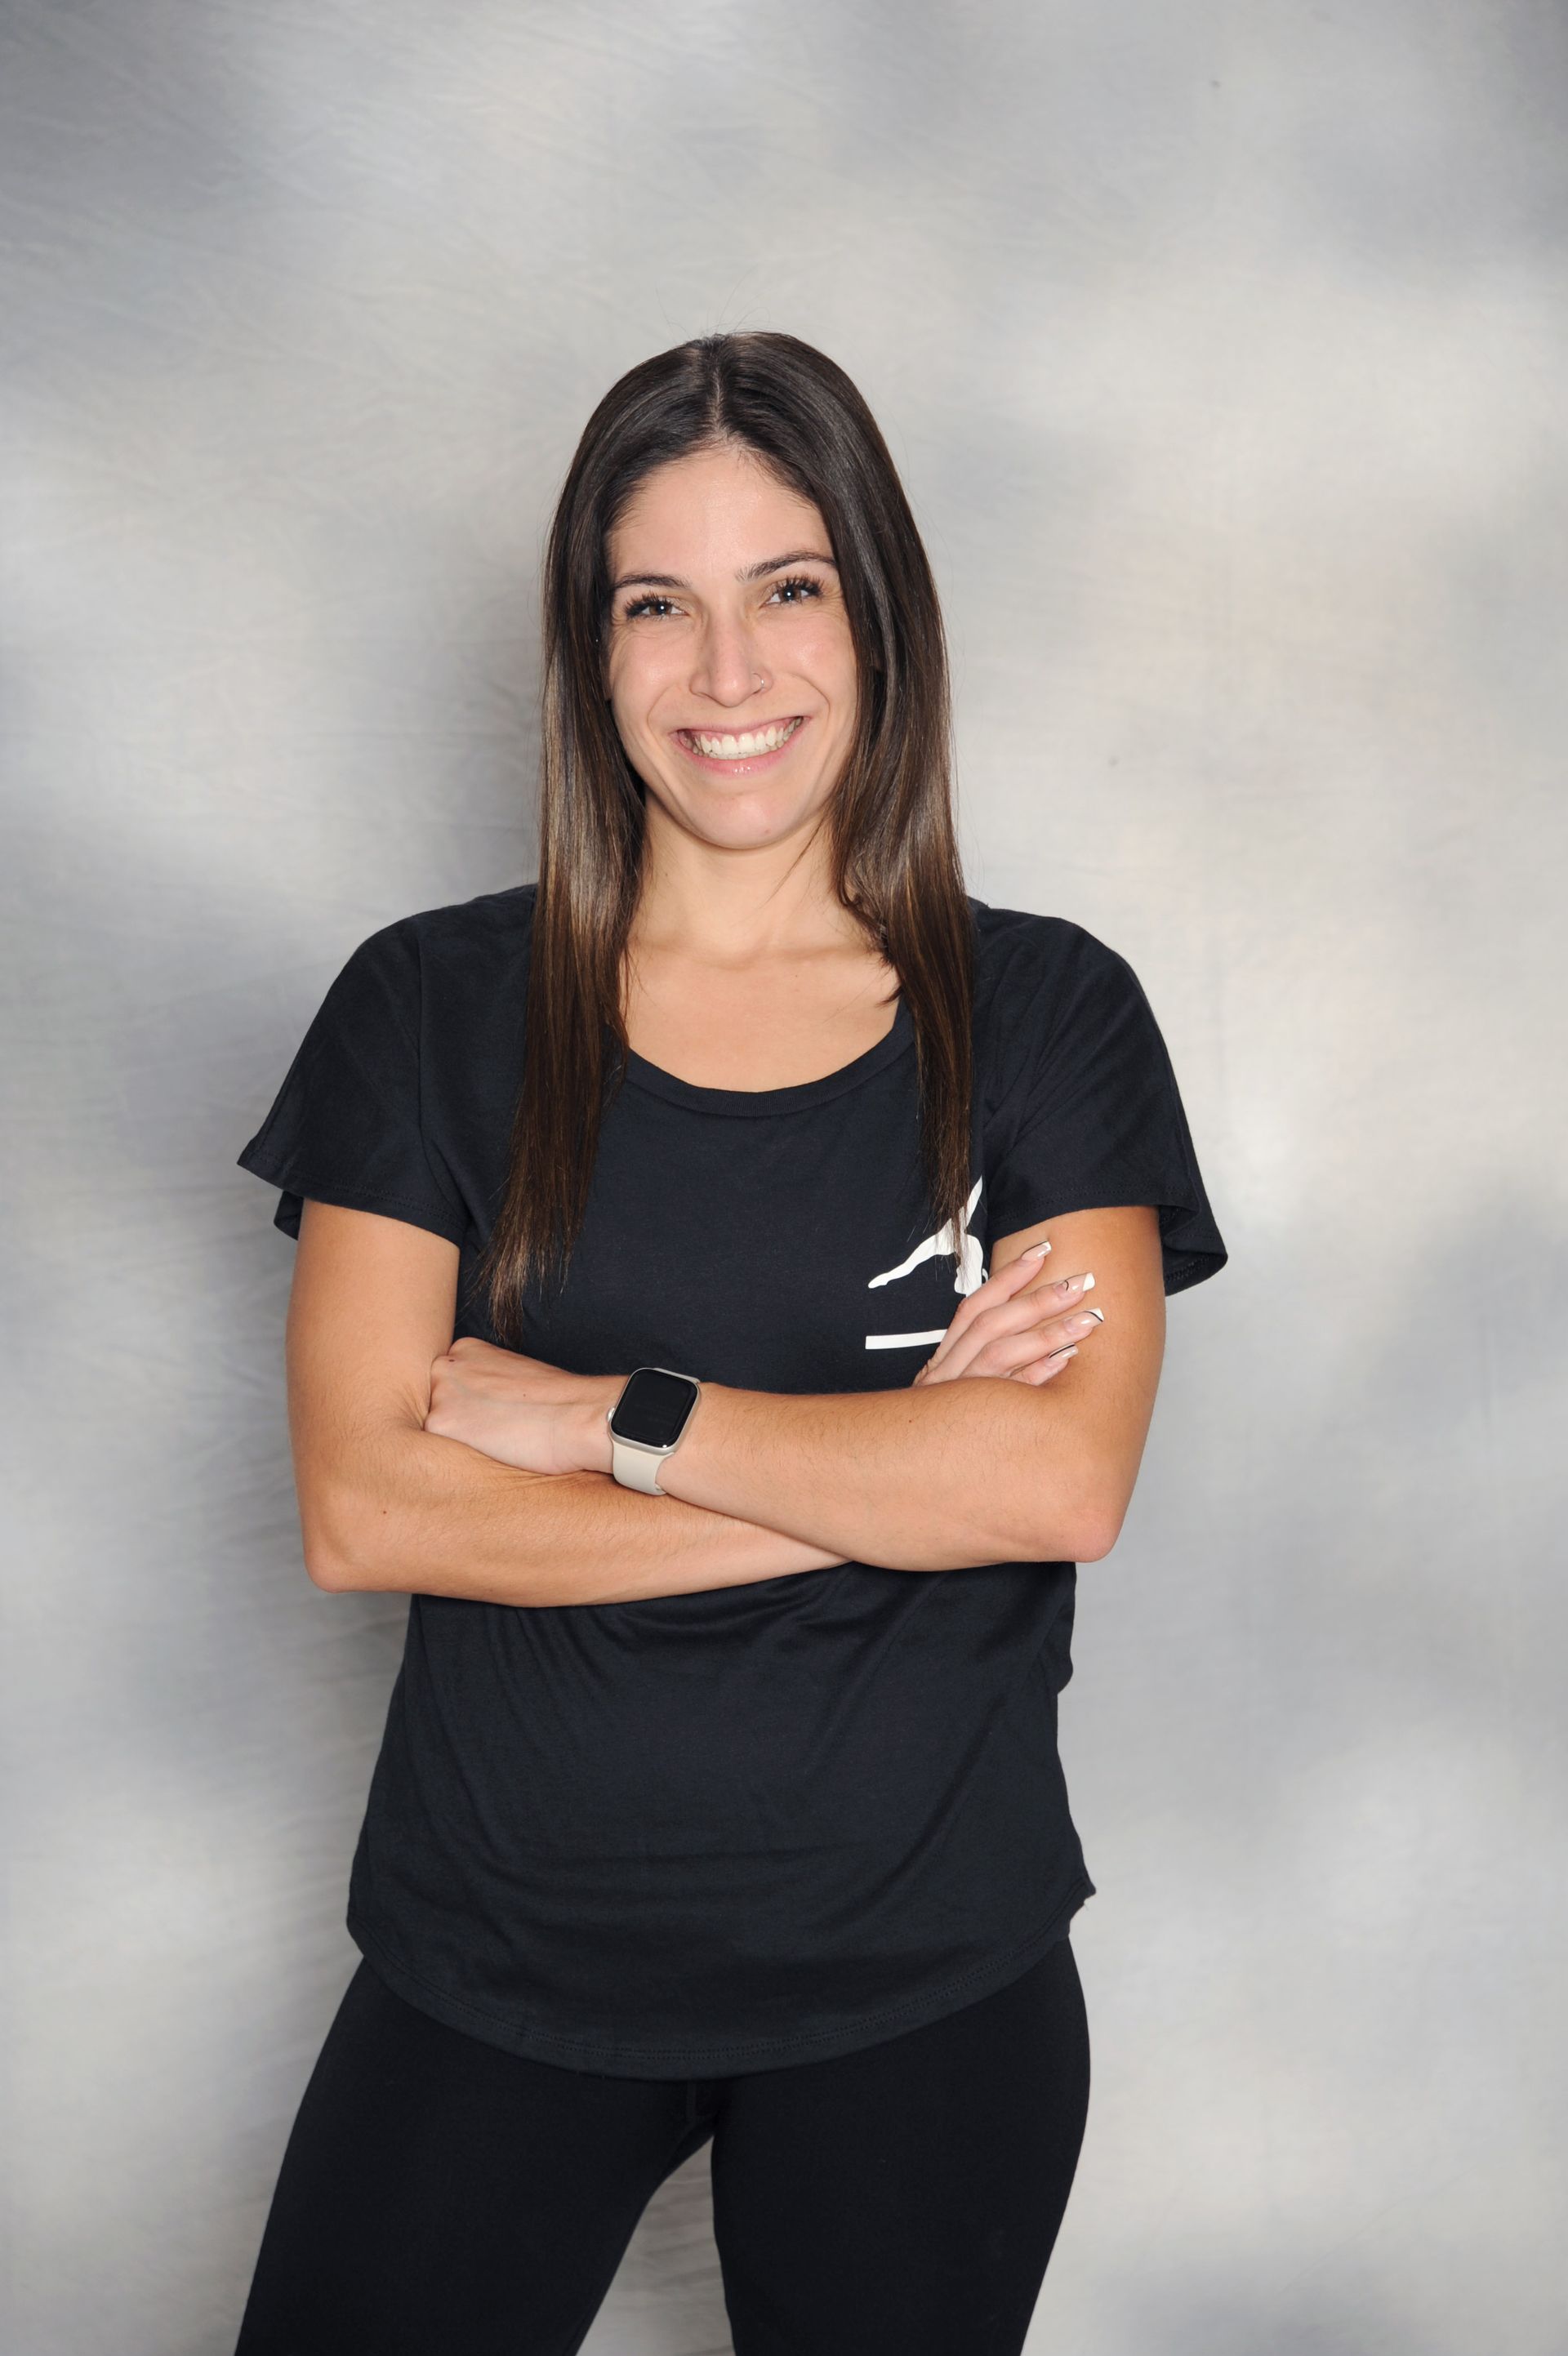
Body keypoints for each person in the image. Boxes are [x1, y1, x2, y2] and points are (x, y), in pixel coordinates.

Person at [231, 330, 1227, 2356]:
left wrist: (601, 1421)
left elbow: (1057, 1481)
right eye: (654, 606)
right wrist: (885, 1473)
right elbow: (363, 1502)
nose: (727, 674)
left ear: (878, 614)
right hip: (493, 1959)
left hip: (922, 1983)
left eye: (789, 588)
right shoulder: (428, 1009)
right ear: (591, 655)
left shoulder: (1043, 1018)